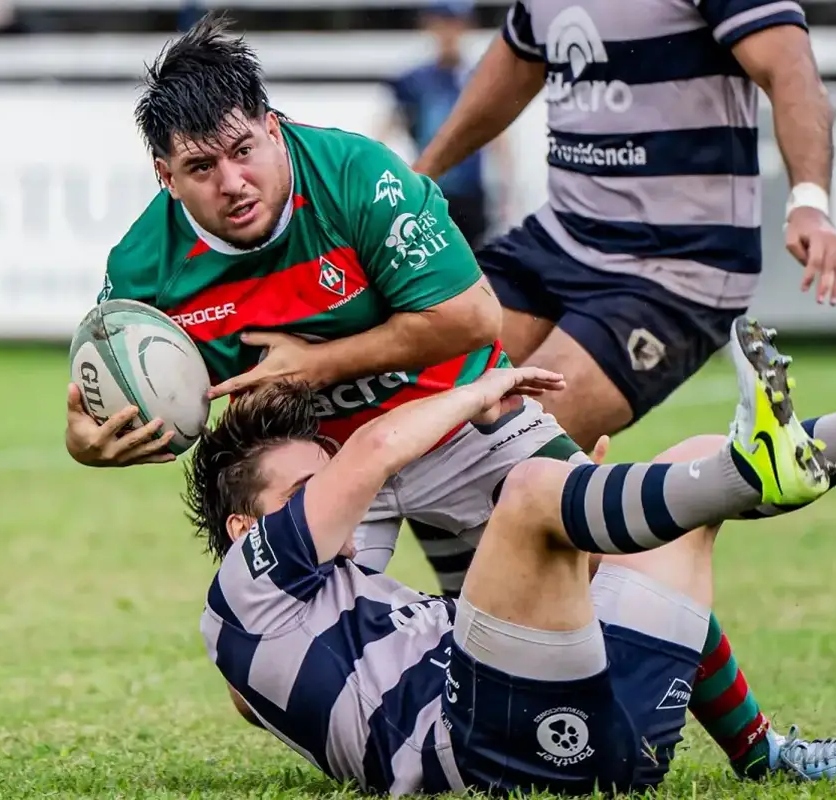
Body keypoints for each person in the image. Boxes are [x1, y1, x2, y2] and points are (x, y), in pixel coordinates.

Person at [189, 277, 836, 794]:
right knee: (538, 490)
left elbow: (249, 696)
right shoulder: (244, 587)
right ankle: (765, 466)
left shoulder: (317, 610)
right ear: (242, 528)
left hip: (611, 754)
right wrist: (488, 387)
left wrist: (585, 535)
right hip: (479, 759)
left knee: (676, 478)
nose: (328, 498)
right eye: (303, 489)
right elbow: (368, 450)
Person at [406, 0, 836, 773]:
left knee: (525, 481)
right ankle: (485, 676)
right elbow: (515, 63)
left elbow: (787, 65)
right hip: (562, 239)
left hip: (675, 266)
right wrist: (423, 174)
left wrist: (810, 201)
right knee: (421, 411)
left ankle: (754, 750)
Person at [63, 13, 587, 595]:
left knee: (594, 567)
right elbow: (113, 396)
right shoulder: (143, 269)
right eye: (201, 167)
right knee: (271, 632)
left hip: (458, 418)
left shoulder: (357, 177)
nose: (233, 182)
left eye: (243, 150)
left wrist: (315, 365)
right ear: (166, 176)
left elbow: (473, 318)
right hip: (321, 467)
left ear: (273, 127)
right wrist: (86, 441)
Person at [382, 0, 512, 249]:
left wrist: (506, 191)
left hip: (470, 196)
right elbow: (387, 129)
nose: (448, 32)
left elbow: (498, 136)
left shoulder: (478, 77)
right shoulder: (414, 81)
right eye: (441, 23)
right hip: (429, 192)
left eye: (454, 23)